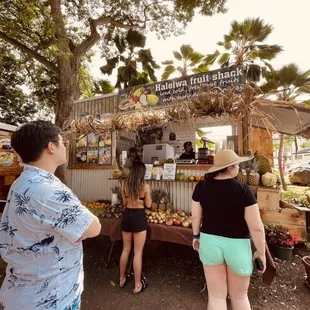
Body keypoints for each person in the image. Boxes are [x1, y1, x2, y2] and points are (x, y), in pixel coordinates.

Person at [0, 120, 101, 310]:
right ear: (51, 147)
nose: (65, 146)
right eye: (63, 142)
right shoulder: (50, 190)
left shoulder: (22, 182)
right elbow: (94, 227)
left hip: (23, 292)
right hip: (51, 297)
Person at [191, 149, 266, 310]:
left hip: (209, 242)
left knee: (216, 297)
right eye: (237, 165)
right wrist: (261, 253)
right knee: (239, 297)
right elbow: (257, 228)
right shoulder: (244, 190)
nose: (238, 168)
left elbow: (196, 217)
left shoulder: (202, 186)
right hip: (238, 245)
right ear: (231, 168)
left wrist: (196, 237)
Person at [119, 161, 152, 294]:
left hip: (127, 216)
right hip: (138, 217)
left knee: (126, 249)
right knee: (137, 252)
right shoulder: (145, 186)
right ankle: (137, 285)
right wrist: (146, 196)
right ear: (142, 173)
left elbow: (124, 202)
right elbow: (148, 204)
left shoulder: (124, 186)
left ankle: (121, 279)